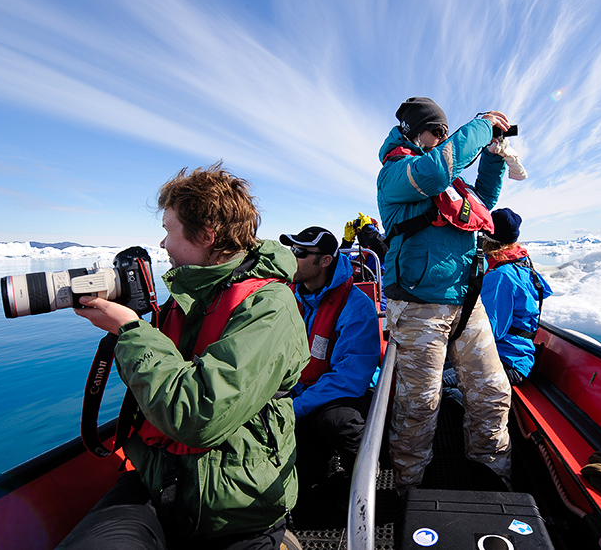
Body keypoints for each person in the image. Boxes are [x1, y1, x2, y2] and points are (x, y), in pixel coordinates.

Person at [59, 164, 310, 550]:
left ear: (207, 236)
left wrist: (129, 331)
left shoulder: (268, 306)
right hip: (157, 483)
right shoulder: (192, 296)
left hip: (236, 508)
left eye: (168, 230)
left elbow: (196, 416)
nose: (162, 244)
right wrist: (137, 319)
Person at [377, 96, 518, 493]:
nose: (441, 138)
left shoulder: (451, 186)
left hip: (466, 305)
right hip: (419, 308)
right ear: (411, 131)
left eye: (445, 132)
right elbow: (437, 170)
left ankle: (491, 477)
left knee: (493, 392)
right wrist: (482, 124)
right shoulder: (398, 174)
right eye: (435, 131)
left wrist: (492, 153)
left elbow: (485, 203)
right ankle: (409, 489)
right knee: (419, 406)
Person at [279, 226, 381, 504]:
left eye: (300, 252)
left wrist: (292, 409)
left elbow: (349, 377)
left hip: (343, 395)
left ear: (324, 261)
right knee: (303, 481)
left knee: (337, 423)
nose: (292, 257)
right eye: (292, 250)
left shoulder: (356, 306)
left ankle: (362, 482)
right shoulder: (288, 296)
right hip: (300, 390)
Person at [480, 208, 553, 385]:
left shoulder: (500, 276)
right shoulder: (523, 267)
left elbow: (490, 331)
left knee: (436, 383)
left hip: (504, 361)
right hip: (520, 358)